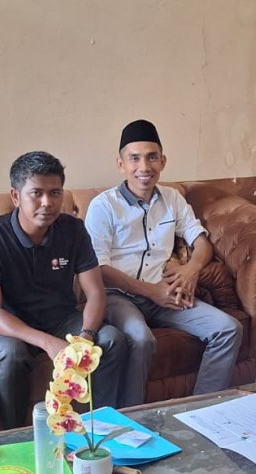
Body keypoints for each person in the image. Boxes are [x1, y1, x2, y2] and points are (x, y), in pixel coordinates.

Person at [0, 151, 131, 428]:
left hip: (61, 319)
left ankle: (101, 426)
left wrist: (86, 337)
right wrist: (46, 342)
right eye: (37, 193)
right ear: (16, 196)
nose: (47, 203)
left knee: (112, 340)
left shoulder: (73, 230)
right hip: (11, 326)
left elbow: (95, 293)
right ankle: (15, 435)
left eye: (55, 193)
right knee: (11, 356)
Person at [84, 119, 244, 399]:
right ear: (121, 164)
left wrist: (192, 269)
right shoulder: (103, 206)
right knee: (140, 339)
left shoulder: (173, 198)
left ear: (163, 161)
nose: (144, 167)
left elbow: (201, 241)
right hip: (119, 296)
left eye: (152, 157)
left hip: (166, 294)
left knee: (228, 329)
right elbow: (99, 268)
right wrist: (151, 292)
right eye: (134, 158)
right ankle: (132, 417)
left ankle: (199, 409)